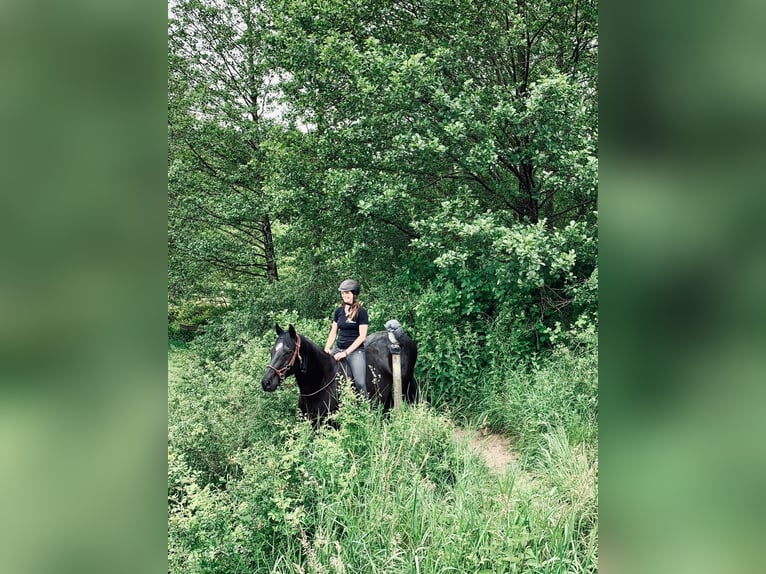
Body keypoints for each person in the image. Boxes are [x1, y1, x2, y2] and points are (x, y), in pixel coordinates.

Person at [324, 279, 369, 396]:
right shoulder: (338, 311)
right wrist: (328, 347)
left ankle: (365, 408)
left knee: (360, 382)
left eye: (347, 293)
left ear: (354, 294)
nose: (344, 295)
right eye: (343, 293)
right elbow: (333, 332)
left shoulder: (362, 312)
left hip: (355, 351)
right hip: (338, 348)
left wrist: (346, 353)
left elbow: (362, 337)